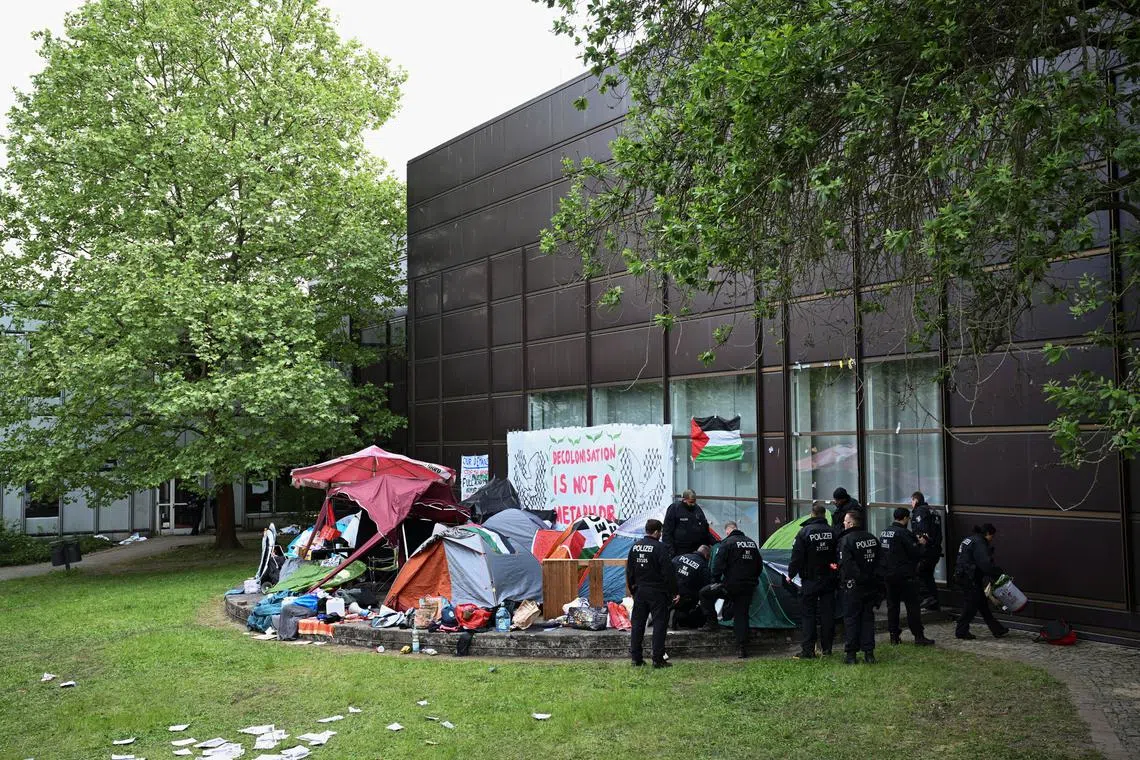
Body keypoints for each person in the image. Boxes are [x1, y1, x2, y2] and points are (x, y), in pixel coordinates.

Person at [700, 521, 763, 658]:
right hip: (748, 586)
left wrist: (715, 581)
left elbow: (717, 566)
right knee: (742, 615)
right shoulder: (751, 543)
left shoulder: (727, 543)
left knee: (704, 593)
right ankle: (742, 648)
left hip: (730, 586)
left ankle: (712, 622)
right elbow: (759, 566)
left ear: (727, 532)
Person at [879, 507, 936, 647]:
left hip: (889, 575)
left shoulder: (885, 532)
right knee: (912, 606)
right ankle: (919, 636)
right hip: (905, 576)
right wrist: (922, 544)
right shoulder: (903, 533)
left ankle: (894, 635)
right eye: (908, 518)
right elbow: (916, 553)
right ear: (905, 518)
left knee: (892, 606)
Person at [787, 503, 838, 659]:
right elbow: (837, 554)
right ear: (824, 515)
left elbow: (797, 557)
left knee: (808, 615)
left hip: (810, 579)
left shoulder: (804, 532)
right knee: (827, 614)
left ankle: (808, 650)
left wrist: (791, 574)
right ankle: (827, 649)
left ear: (811, 515)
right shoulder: (832, 532)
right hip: (829, 578)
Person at [626, 518, 678, 667]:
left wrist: (633, 590)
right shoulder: (660, 548)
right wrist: (674, 591)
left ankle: (636, 658)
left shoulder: (635, 547)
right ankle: (657, 658)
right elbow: (668, 572)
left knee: (637, 625)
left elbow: (630, 571)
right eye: (660, 532)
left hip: (640, 591)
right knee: (659, 625)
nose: (660, 534)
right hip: (657, 592)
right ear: (656, 532)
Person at [836, 511, 881, 664]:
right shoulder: (872, 539)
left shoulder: (846, 540)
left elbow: (848, 566)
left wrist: (859, 578)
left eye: (845, 521)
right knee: (868, 619)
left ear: (851, 523)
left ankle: (851, 655)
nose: (843, 523)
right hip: (871, 586)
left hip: (853, 587)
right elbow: (880, 563)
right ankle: (869, 654)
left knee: (851, 620)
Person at [954, 523, 1010, 640]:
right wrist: (999, 575)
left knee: (982, 604)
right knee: (971, 604)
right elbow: (985, 564)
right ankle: (961, 630)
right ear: (988, 533)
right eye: (992, 536)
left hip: (965, 575)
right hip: (970, 577)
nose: (991, 540)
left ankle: (997, 629)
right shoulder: (980, 542)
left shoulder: (970, 539)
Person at [910, 491, 943, 610]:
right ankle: (934, 602)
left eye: (912, 501)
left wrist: (919, 542)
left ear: (916, 500)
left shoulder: (920, 512)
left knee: (918, 573)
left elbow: (924, 533)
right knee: (928, 576)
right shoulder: (932, 510)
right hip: (936, 549)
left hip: (926, 549)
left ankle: (927, 597)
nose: (911, 504)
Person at [663, 489, 715, 557]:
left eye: (694, 501)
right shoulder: (674, 508)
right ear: (684, 500)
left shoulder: (697, 509)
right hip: (680, 550)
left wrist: (715, 543)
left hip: (696, 549)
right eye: (691, 502)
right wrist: (670, 551)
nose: (693, 504)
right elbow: (667, 531)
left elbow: (705, 529)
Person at [671, 545, 711, 629]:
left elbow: (668, 570)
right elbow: (705, 585)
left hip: (671, 591)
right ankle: (681, 620)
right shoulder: (703, 565)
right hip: (686, 596)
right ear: (706, 555)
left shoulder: (680, 557)